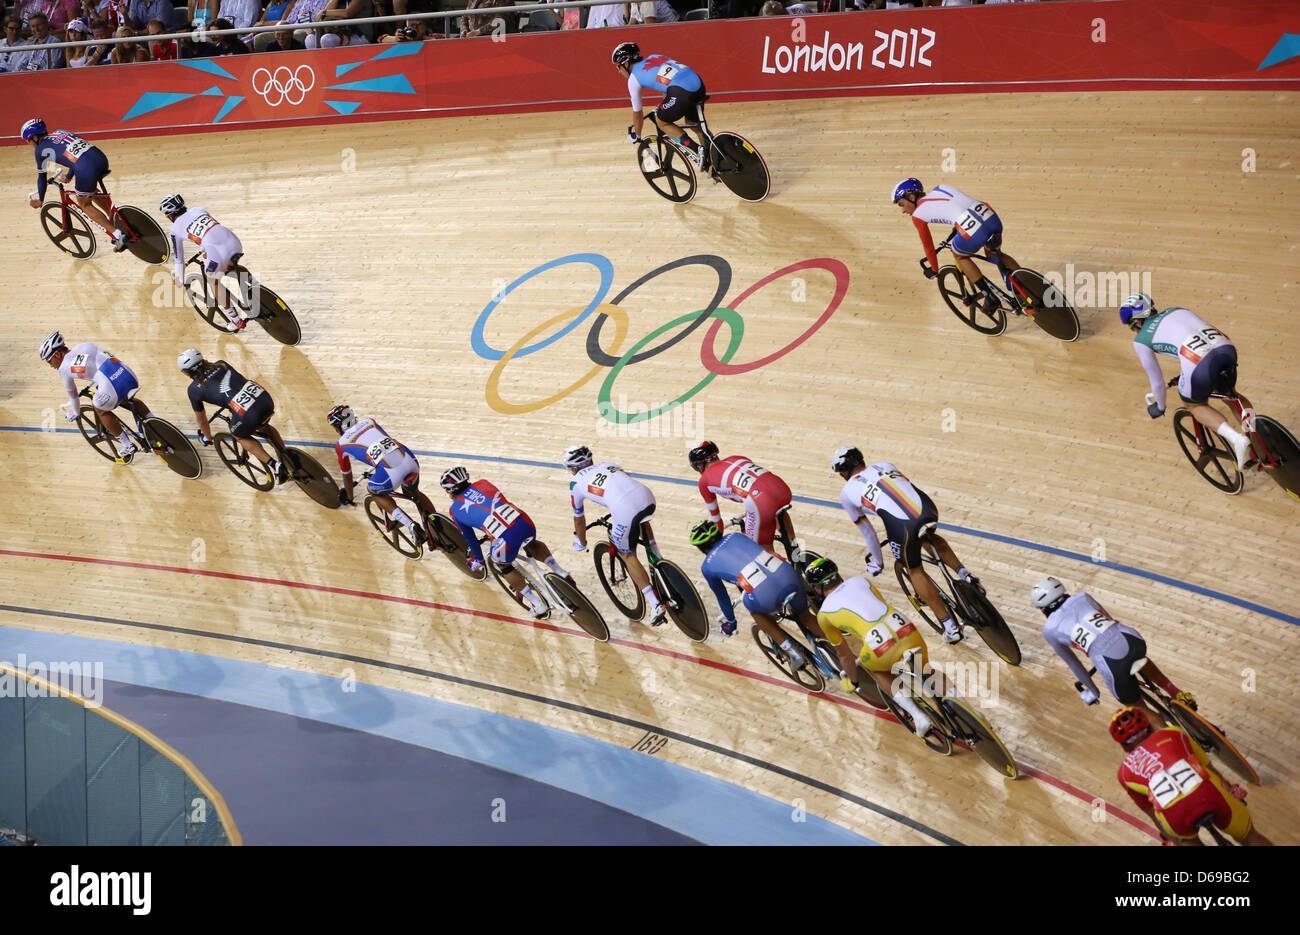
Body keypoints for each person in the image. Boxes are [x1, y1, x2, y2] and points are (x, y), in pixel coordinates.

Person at [830, 445, 967, 645]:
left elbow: (868, 531)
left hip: (902, 526)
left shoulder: (846, 492)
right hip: (928, 509)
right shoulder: (885, 464)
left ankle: (950, 627)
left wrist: (878, 562)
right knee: (927, 535)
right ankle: (966, 575)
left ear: (843, 472)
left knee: (915, 570)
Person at [806, 557, 954, 737]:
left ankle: (918, 717)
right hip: (906, 628)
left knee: (878, 671)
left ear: (816, 588)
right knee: (926, 670)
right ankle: (970, 712)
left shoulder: (823, 615)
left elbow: (844, 655)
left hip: (880, 646)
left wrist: (853, 681)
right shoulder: (860, 580)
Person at [1031, 576, 1192, 724]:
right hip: (1132, 640)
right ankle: (1176, 692)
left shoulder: (1049, 630)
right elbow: (1109, 619)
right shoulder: (1083, 597)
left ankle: (1173, 738)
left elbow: (1075, 665)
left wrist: (1093, 692)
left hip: (1111, 665)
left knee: (1138, 707)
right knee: (1138, 658)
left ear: (1043, 610)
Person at [1120, 292, 1252, 471]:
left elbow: (1157, 382)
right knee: (1230, 395)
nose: (1133, 331)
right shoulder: (1176, 310)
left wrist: (1160, 406)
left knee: (1195, 405)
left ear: (1137, 321)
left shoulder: (1141, 340)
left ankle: (1238, 440)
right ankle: (1257, 438)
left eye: (1131, 326)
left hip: (1198, 363)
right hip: (1226, 348)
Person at [1110, 707, 1271, 846]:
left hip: (1177, 816)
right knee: (1250, 837)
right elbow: (1210, 769)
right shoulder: (1175, 733)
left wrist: (1174, 840)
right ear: (1150, 725)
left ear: (1124, 746)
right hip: (1209, 794)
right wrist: (1232, 790)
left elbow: (1153, 816)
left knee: (1185, 841)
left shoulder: (1123, 773)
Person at [440, 467, 569, 619]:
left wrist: (479, 561)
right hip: (524, 522)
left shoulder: (455, 510)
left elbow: (471, 539)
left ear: (449, 491)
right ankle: (560, 571)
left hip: (506, 539)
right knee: (531, 542)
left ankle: (537, 604)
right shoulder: (483, 483)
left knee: (502, 564)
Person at [691, 520, 822, 663]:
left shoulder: (707, 567)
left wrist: (731, 622)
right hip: (787, 573)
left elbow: (723, 597)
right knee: (807, 618)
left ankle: (791, 651)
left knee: (755, 611)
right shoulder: (736, 536)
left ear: (700, 549)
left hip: (764, 594)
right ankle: (839, 647)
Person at [563, 444, 665, 624]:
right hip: (646, 494)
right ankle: (657, 556)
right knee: (641, 518)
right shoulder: (609, 464)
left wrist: (582, 541)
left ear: (573, 468)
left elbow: (578, 518)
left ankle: (655, 603)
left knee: (627, 554)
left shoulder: (576, 482)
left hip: (624, 509)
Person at [893, 177, 1020, 316]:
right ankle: (1024, 286)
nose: (903, 211)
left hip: (973, 229)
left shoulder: (917, 215)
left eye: (901, 204)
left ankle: (990, 296)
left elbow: (928, 246)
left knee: (958, 254)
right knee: (994, 253)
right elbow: (959, 205)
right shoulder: (942, 187)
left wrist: (935, 269)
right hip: (990, 216)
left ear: (911, 197)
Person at [330, 405, 436, 549]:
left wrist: (349, 496)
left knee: (373, 490)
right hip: (410, 460)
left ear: (339, 427)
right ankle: (437, 524)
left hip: (390, 473)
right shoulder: (369, 422)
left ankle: (411, 525)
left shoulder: (341, 445)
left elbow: (347, 474)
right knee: (412, 491)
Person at [179, 348, 290, 485]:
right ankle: (287, 457)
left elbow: (202, 421)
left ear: (188, 373)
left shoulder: (193, 390)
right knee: (263, 426)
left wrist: (207, 437)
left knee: (239, 435)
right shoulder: (221, 364)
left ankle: (275, 465)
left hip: (248, 413)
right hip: (264, 399)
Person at [39, 331, 153, 459]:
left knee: (100, 408)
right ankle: (155, 424)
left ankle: (127, 445)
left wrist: (76, 412)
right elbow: (96, 365)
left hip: (111, 385)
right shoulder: (85, 345)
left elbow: (73, 395)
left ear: (58, 355)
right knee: (127, 399)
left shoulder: (63, 369)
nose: (50, 365)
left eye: (49, 360)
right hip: (128, 375)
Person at [22, 119, 126, 251]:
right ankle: (115, 218)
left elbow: (42, 178)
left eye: (28, 140)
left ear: (35, 137)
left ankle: (118, 235)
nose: (28, 143)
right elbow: (77, 154)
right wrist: (69, 176)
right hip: (100, 158)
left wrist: (41, 199)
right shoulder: (61, 132)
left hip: (86, 168)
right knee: (89, 188)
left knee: (84, 204)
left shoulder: (40, 151)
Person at [160, 194, 258, 331]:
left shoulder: (175, 230)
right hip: (234, 241)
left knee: (213, 280)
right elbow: (211, 231)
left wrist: (180, 279)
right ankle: (257, 286)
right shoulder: (199, 210)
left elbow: (179, 258)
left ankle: (235, 320)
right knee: (231, 265)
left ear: (170, 216)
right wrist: (208, 249)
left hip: (217, 249)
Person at [689, 440, 798, 554]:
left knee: (759, 554)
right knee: (774, 510)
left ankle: (777, 569)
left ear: (699, 466)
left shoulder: (704, 481)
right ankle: (795, 552)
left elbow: (716, 520)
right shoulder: (738, 458)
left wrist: (715, 544)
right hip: (781, 488)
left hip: (760, 502)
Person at [613, 42, 707, 169]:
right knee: (695, 125)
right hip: (697, 84)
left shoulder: (633, 79)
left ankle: (698, 149)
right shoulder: (655, 57)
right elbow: (666, 85)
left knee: (661, 120)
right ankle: (714, 158)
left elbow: (637, 112)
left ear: (625, 63)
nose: (618, 71)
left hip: (681, 92)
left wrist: (637, 135)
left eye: (618, 67)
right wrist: (663, 105)